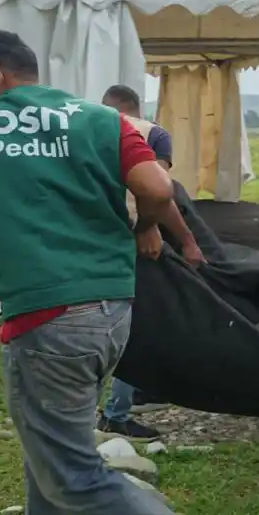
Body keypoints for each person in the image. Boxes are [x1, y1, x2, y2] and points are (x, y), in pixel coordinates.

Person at [0, 30, 255, 515]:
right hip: (112, 311)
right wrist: (161, 231)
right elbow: (158, 190)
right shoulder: (102, 121)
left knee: (71, 473)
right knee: (53, 452)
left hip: (48, 319)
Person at [97, 85, 178, 438]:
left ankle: (99, 407)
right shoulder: (153, 134)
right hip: (131, 241)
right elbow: (157, 190)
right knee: (133, 324)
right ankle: (116, 411)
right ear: (135, 109)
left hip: (89, 242)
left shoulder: (84, 130)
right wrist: (153, 229)